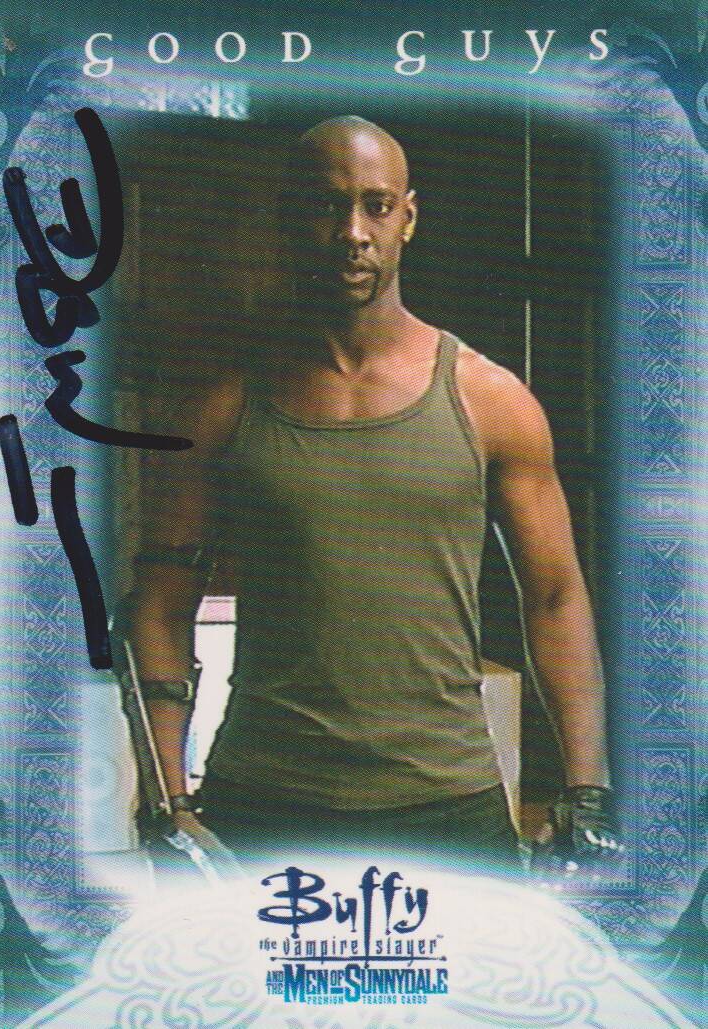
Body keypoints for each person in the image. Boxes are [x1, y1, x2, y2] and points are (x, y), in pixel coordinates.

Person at [124, 116, 621, 875]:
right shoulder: (221, 409)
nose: (352, 233)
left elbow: (554, 596)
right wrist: (167, 804)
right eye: (326, 207)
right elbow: (160, 603)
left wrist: (587, 791)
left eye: (376, 206)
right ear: (289, 219)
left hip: (449, 804)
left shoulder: (491, 400)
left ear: (407, 218)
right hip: (264, 801)